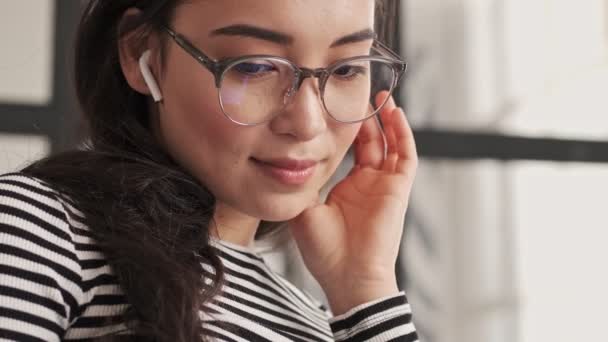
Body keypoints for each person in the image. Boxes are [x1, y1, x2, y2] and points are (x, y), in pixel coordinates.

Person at [0, 0, 419, 340]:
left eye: (347, 69)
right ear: (139, 52)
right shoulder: (39, 227)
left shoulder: (324, 322)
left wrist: (367, 290)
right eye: (255, 66)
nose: (307, 122)